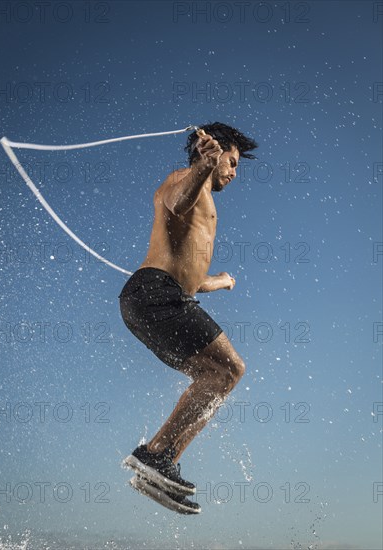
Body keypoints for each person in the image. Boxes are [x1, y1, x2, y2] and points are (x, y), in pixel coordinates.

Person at [119, 122, 258, 513]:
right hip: (154, 295)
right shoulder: (182, 179)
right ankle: (156, 454)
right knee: (230, 370)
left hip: (160, 297)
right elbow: (177, 202)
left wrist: (219, 281)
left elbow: (191, 282)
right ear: (210, 152)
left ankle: (160, 460)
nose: (232, 172)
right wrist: (202, 166)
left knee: (216, 377)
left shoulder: (205, 197)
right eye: (230, 162)